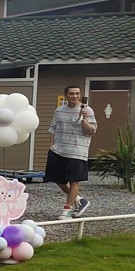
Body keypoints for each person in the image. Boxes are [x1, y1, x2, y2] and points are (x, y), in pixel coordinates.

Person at [45, 85, 97, 218]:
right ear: (66, 95)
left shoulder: (87, 110)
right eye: (72, 93)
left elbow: (91, 131)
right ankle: (79, 200)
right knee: (57, 179)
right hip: (58, 150)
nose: (75, 96)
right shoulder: (59, 111)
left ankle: (67, 209)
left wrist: (83, 118)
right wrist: (51, 146)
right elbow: (53, 129)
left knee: (74, 180)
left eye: (77, 94)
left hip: (77, 151)